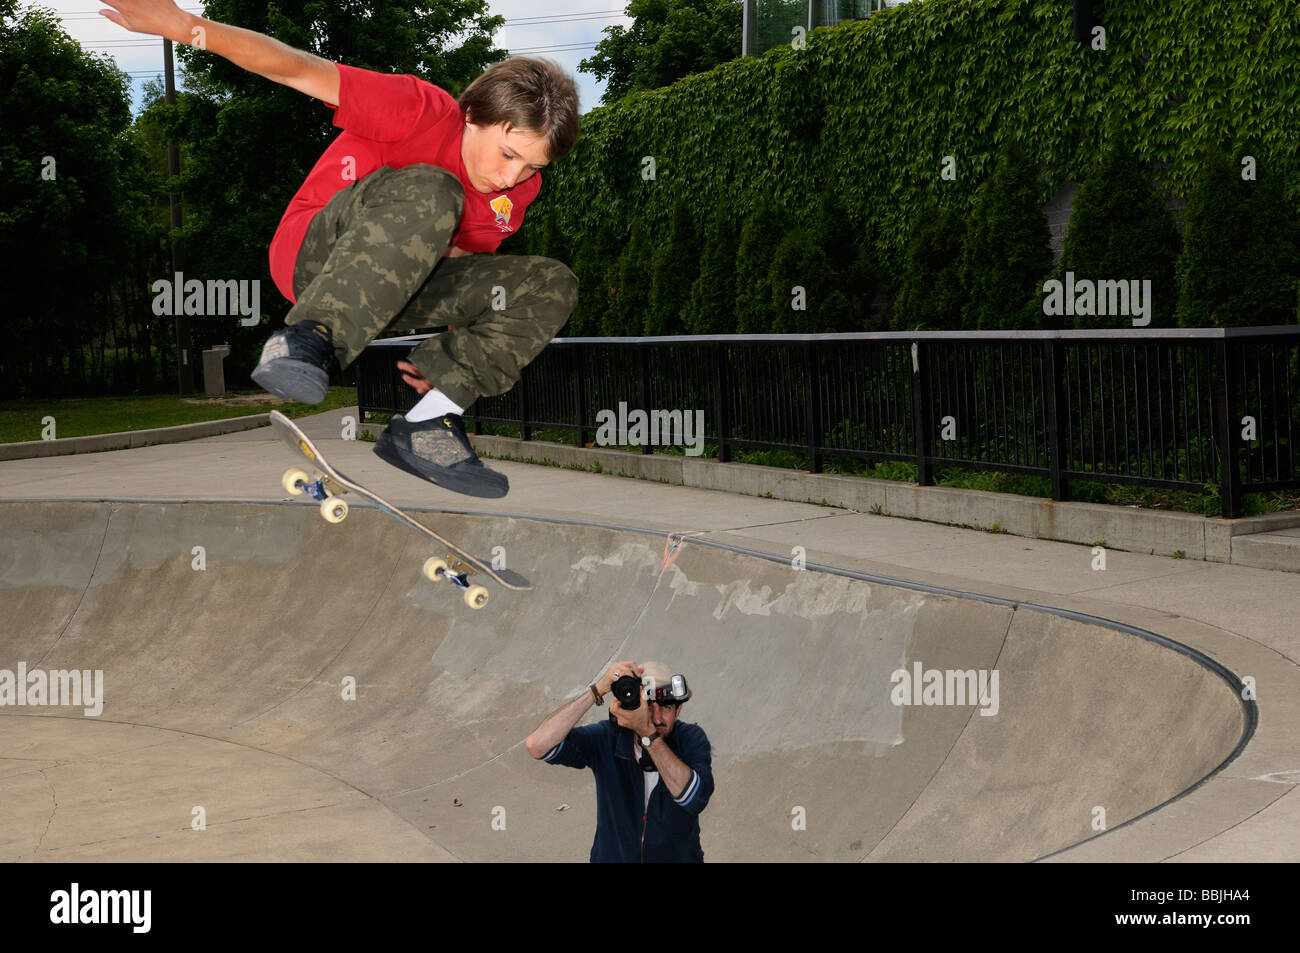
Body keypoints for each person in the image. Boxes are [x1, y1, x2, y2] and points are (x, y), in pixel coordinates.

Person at [101, 1, 581, 499]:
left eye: (530, 166)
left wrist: (455, 359)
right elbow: (296, 67)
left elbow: (461, 262)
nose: (510, 177)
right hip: (315, 254)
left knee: (550, 283)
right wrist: (186, 27)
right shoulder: (419, 109)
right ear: (473, 116)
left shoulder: (515, 195)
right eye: (507, 154)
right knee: (435, 190)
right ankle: (307, 338)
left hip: (396, 288)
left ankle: (430, 425)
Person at [524, 661, 714, 862]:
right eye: (648, 706)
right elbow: (537, 745)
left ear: (678, 710)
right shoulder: (608, 738)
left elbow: (694, 798)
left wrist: (646, 733)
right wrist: (596, 691)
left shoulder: (691, 739)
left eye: (666, 707)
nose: (656, 718)